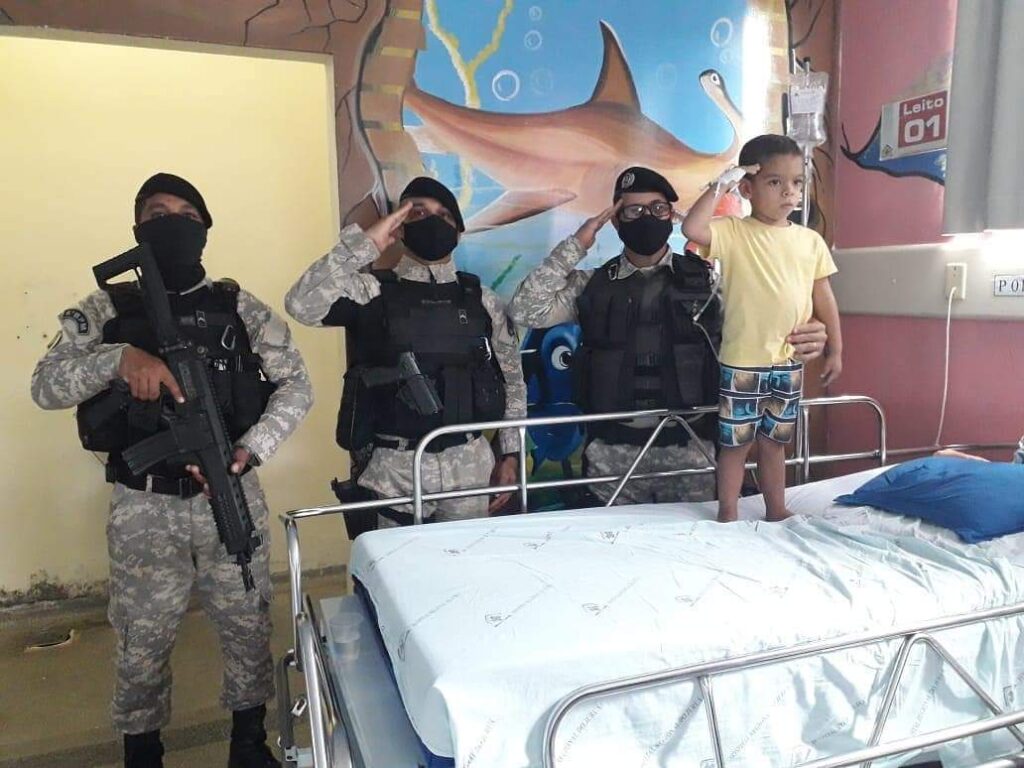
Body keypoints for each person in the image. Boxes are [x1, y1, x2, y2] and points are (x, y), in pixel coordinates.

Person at [31, 173, 312, 768]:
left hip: (230, 491)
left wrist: (252, 448)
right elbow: (45, 386)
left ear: (205, 228)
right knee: (141, 638)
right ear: (137, 227)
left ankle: (248, 744)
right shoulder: (105, 308)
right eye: (157, 213)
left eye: (186, 214)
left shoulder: (238, 307)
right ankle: (142, 752)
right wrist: (118, 359)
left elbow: (297, 385)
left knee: (247, 625)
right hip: (145, 506)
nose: (173, 223)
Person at [508, 166, 829, 505]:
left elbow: (764, 325)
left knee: (695, 536)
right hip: (612, 456)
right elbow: (524, 309)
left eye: (658, 208)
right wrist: (578, 243)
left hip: (691, 450)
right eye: (634, 210)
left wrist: (809, 336)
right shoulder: (592, 285)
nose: (647, 217)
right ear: (616, 221)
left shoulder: (709, 283)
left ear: (671, 216)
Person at [284, 177, 526, 528]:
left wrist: (511, 453)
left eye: (444, 215)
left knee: (467, 559)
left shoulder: (482, 299)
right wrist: (365, 244)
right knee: (393, 561)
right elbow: (300, 304)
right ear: (398, 226)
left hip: (470, 464)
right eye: (418, 213)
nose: (433, 221)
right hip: (394, 469)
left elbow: (512, 379)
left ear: (458, 232)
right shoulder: (370, 290)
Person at [682, 135, 843, 523]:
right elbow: (692, 227)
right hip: (743, 363)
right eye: (775, 182)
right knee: (735, 445)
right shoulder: (734, 232)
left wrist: (836, 348)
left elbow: (824, 297)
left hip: (787, 363)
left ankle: (776, 510)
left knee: (775, 443)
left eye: (797, 182)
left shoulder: (810, 241)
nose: (789, 191)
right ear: (748, 188)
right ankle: (728, 512)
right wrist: (722, 183)